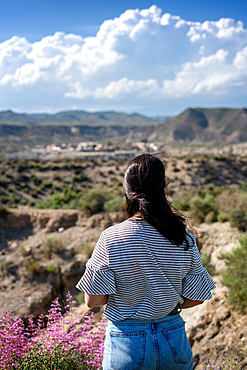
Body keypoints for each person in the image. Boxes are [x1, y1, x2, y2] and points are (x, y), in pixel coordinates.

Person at [76, 153, 215, 370]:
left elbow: (92, 300)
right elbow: (196, 299)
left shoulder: (111, 238)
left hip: (127, 344)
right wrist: (164, 301)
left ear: (126, 190)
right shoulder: (183, 237)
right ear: (164, 187)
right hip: (174, 340)